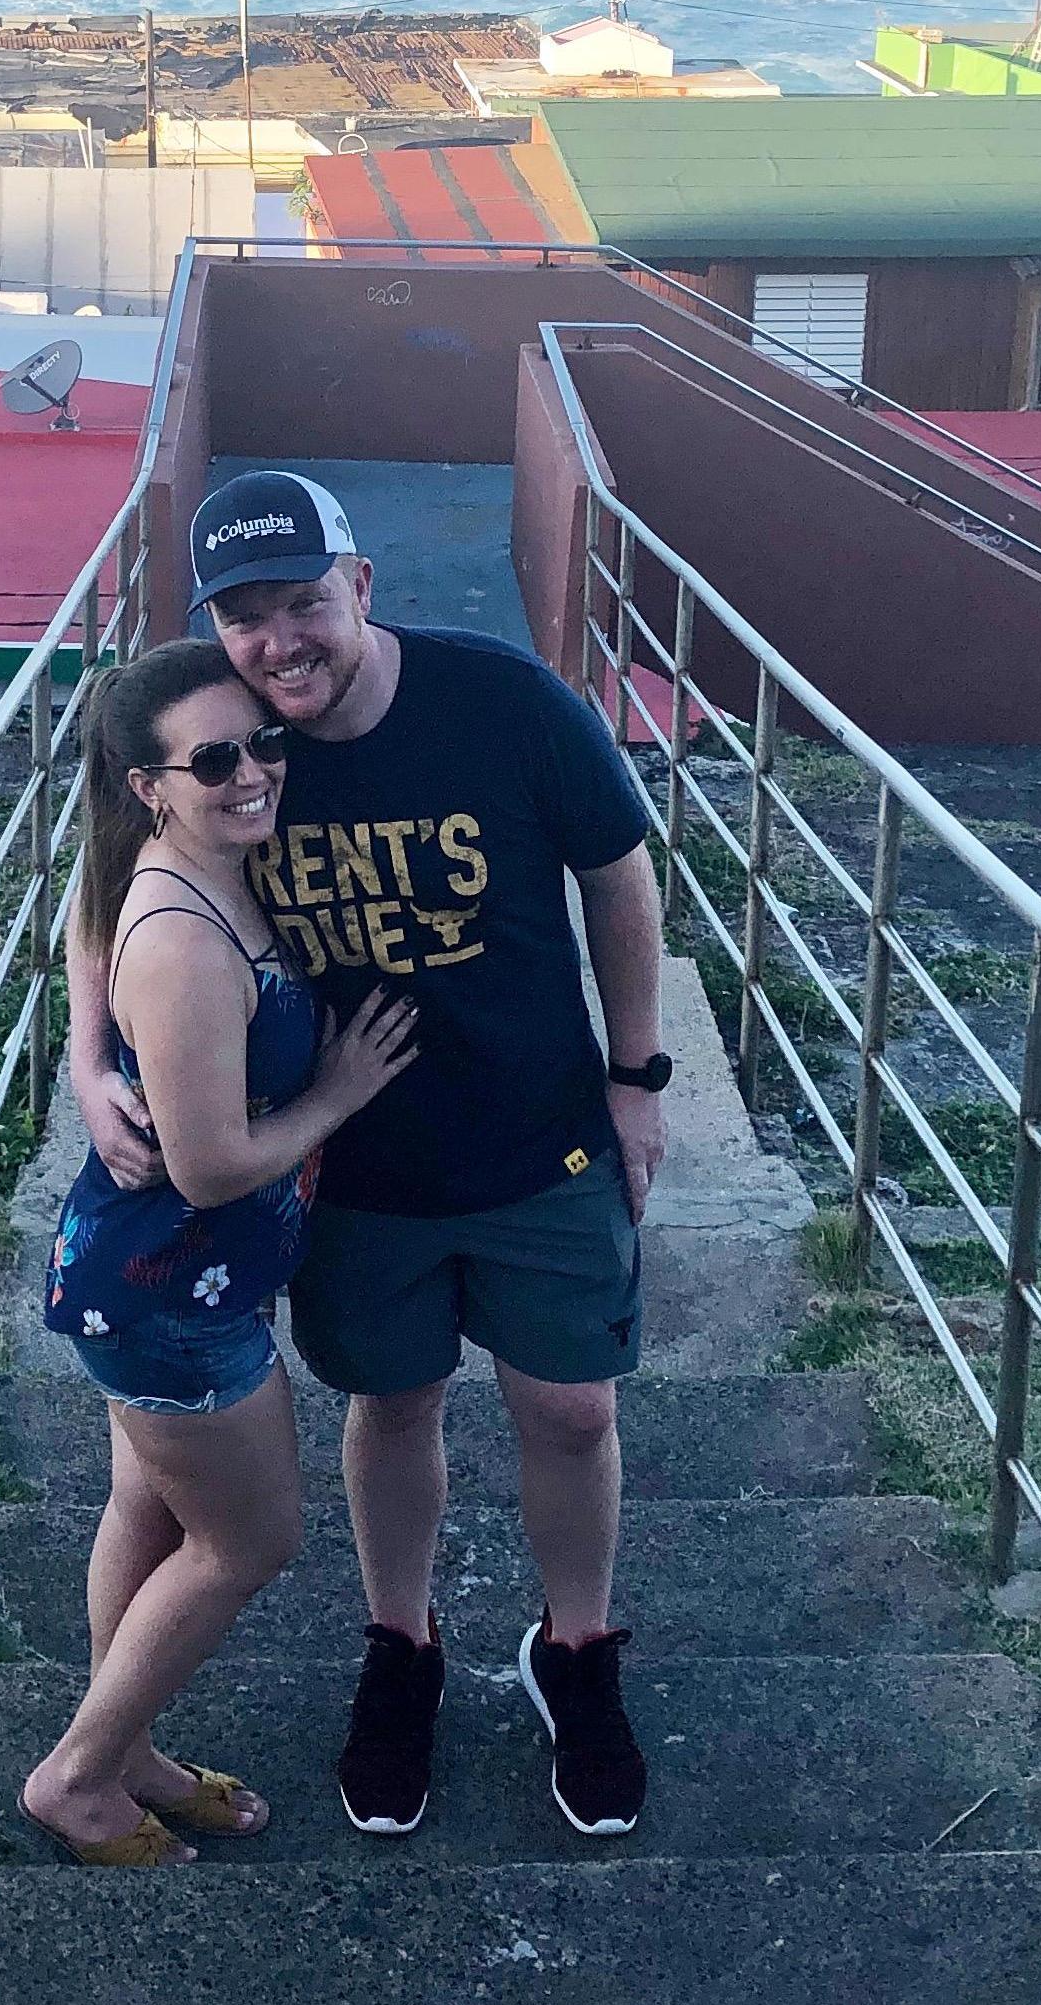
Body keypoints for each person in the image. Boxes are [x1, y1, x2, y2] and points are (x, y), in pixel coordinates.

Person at [67, 471, 673, 1841]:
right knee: (392, 1407)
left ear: (364, 590)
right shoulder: (223, 741)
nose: (281, 641)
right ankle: (401, 1645)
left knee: (573, 1410)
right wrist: (86, 1055)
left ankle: (577, 1652)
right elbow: (107, 877)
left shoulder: (504, 702)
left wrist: (639, 1076)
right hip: (347, 1172)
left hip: (540, 1140)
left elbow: (621, 872)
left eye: (305, 603)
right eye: (245, 616)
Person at [24, 637, 418, 1867]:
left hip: (158, 1282)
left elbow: (90, 923)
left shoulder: (189, 860)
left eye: (261, 742)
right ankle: (79, 1778)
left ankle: (126, 1740)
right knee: (248, 1542)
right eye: (213, 758)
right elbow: (206, 1164)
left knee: (147, 1508)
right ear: (149, 783)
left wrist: (89, 1065)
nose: (251, 771)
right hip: (169, 1298)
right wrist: (341, 1092)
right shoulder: (184, 937)